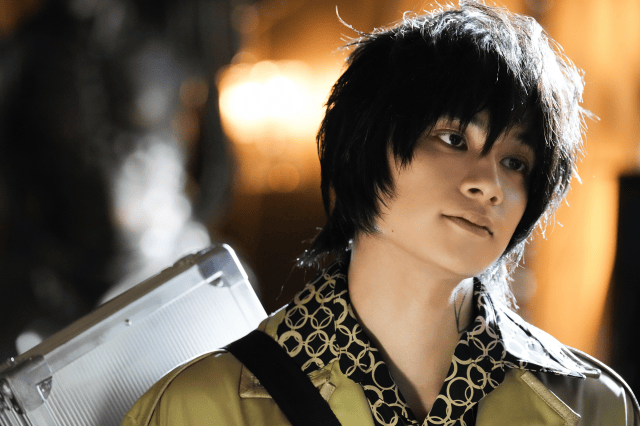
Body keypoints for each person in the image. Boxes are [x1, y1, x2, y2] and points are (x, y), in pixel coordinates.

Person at [122, 1, 639, 425]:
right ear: (365, 147)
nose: (491, 185)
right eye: (453, 139)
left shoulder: (592, 407)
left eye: (515, 162)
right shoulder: (201, 408)